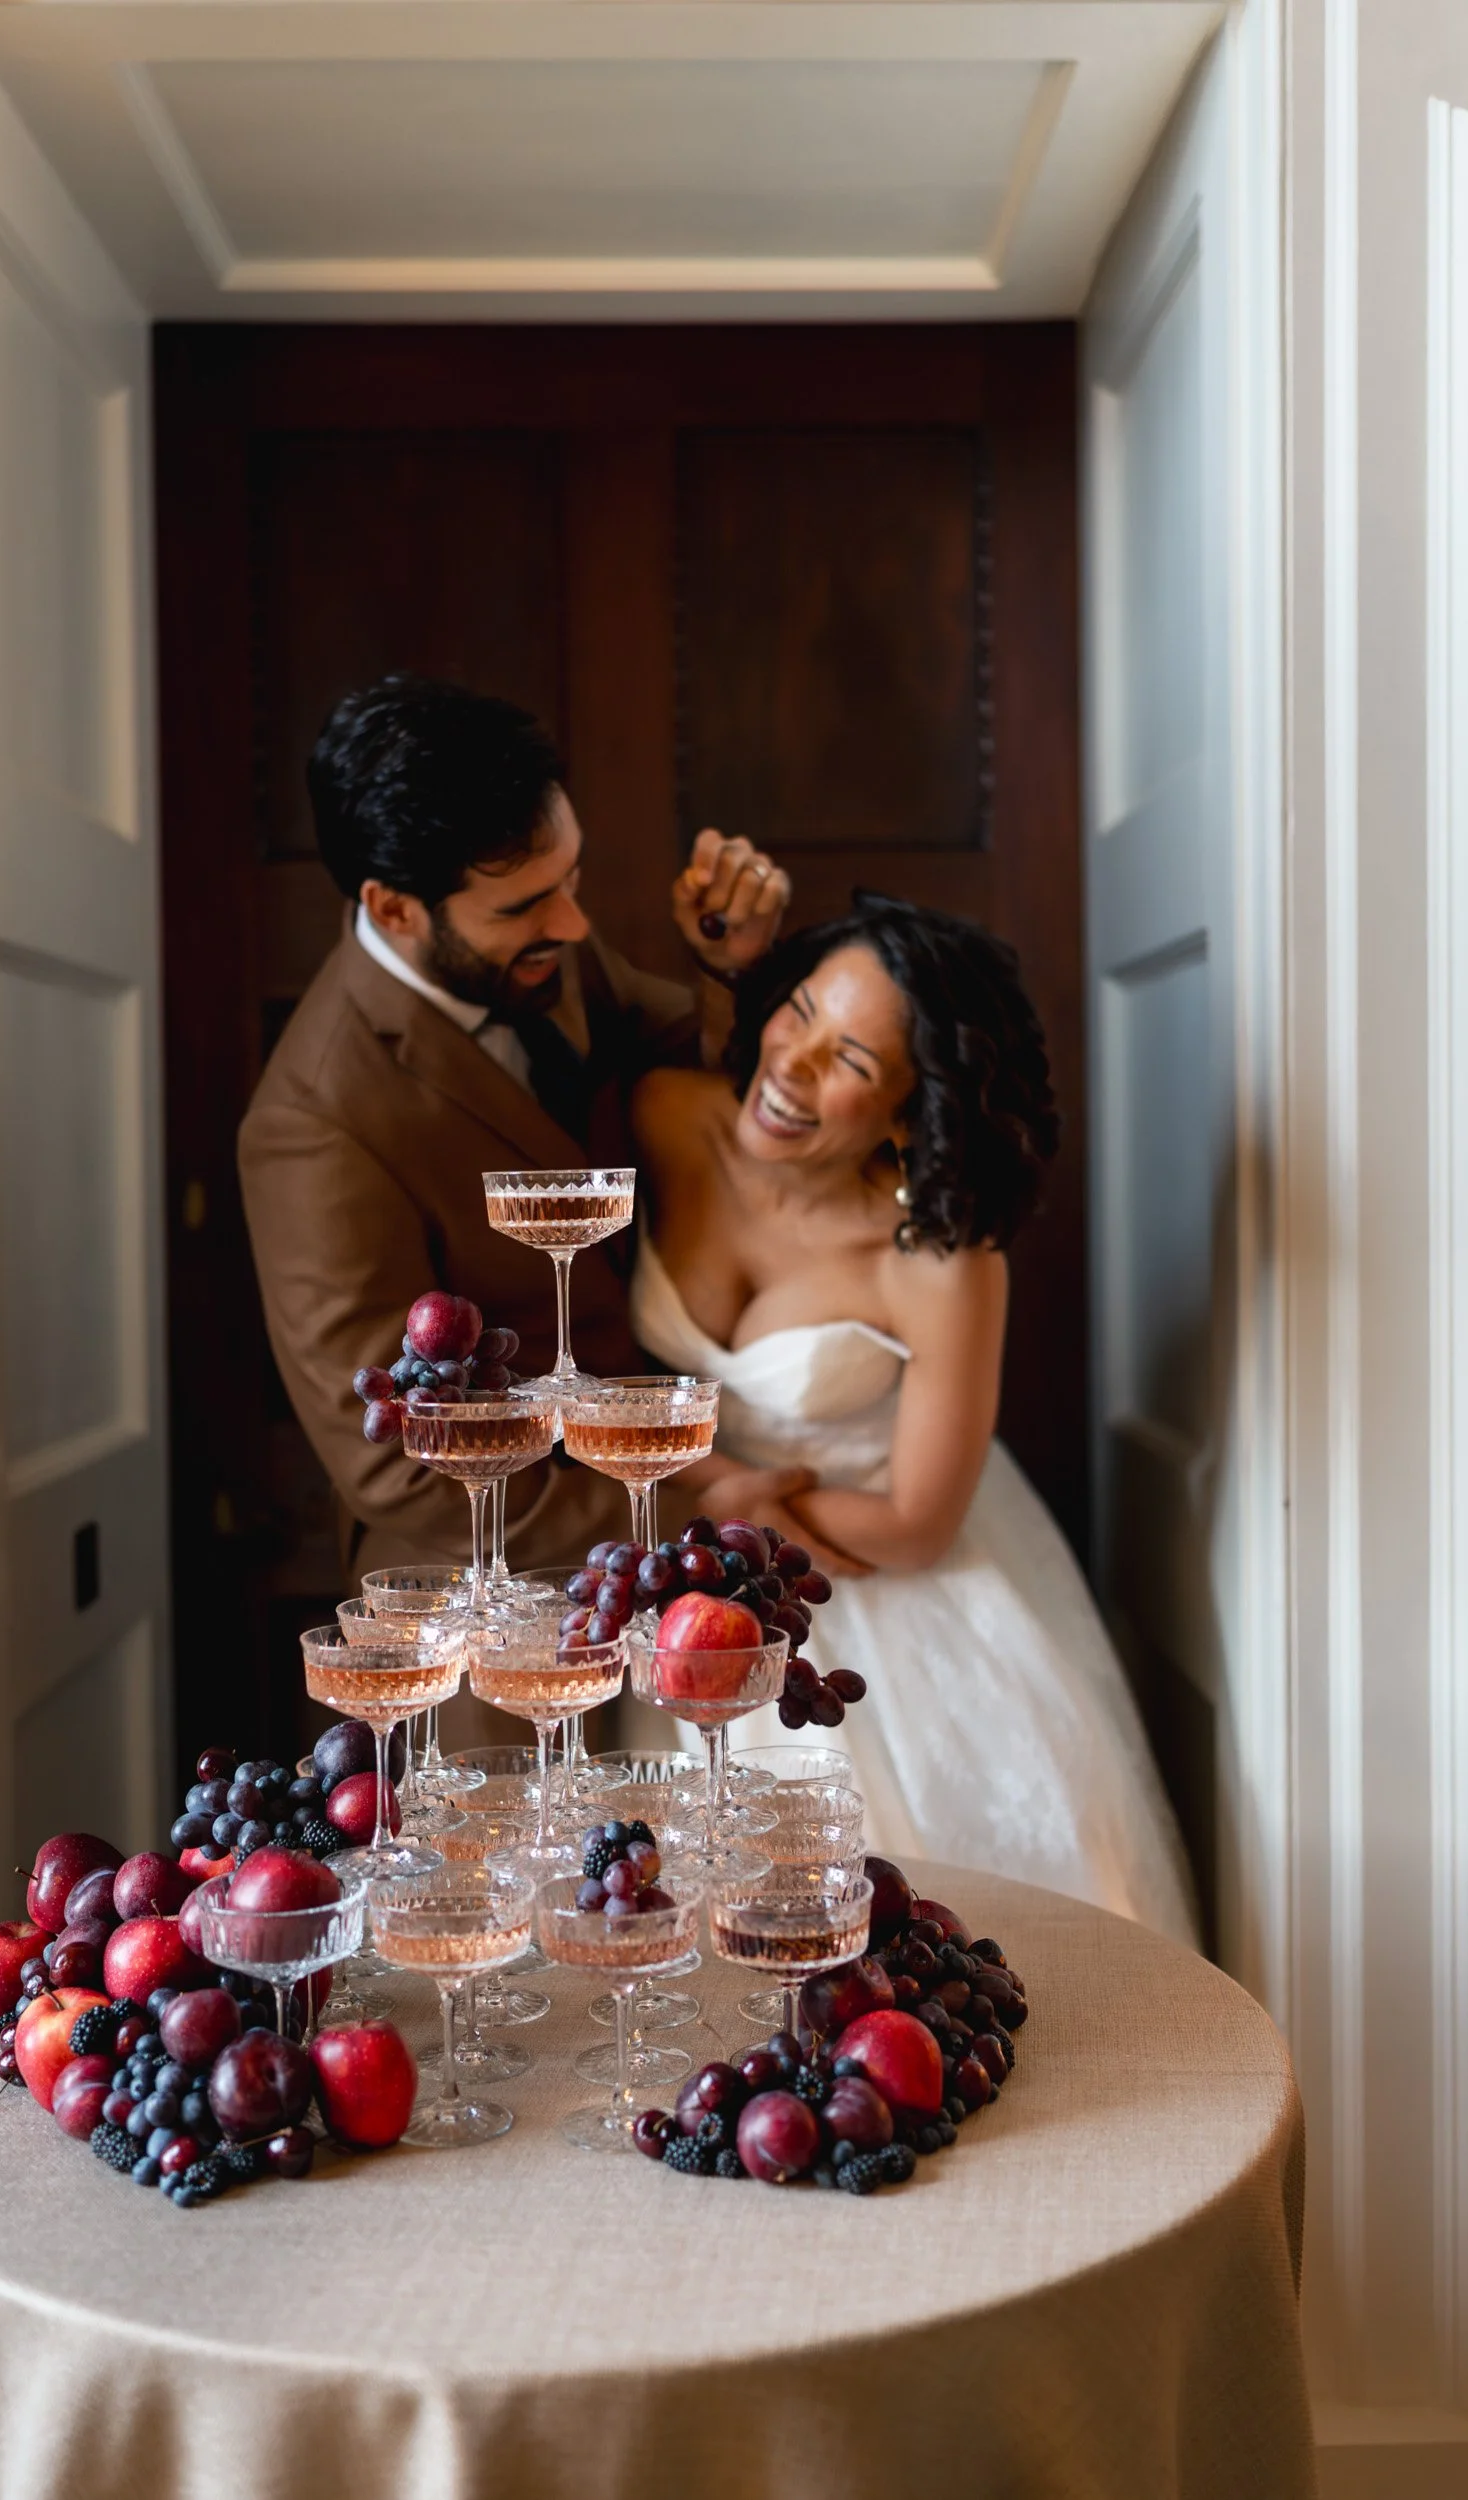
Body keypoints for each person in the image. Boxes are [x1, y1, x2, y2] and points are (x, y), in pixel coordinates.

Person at [630, 892, 1198, 1943]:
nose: (789, 1065)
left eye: (847, 1058)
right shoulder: (662, 1115)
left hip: (876, 1586)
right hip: (673, 1591)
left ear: (907, 1110)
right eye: (794, 1010)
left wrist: (762, 1497)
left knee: (919, 1931)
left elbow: (918, 1521)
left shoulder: (941, 1259)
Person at [238, 674, 810, 1590]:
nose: (574, 924)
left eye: (570, 880)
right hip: (500, 1571)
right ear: (393, 908)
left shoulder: (540, 951)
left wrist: (733, 966)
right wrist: (690, 1514)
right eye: (522, 908)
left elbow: (710, 1081)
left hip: (693, 1476)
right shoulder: (311, 1124)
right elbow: (397, 1461)